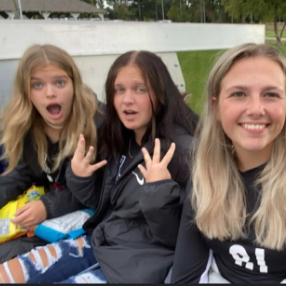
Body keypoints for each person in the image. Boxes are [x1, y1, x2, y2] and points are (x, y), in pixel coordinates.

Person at [0, 50, 198, 283]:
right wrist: (79, 176)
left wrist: (159, 192)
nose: (127, 99)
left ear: (161, 93)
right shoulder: (120, 137)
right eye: (119, 90)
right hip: (101, 239)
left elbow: (181, 239)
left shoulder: (183, 152)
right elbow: (101, 202)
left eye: (140, 89)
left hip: (139, 262)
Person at [171, 43, 286, 284]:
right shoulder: (206, 172)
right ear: (216, 108)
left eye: (271, 94)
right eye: (238, 94)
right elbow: (185, 274)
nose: (256, 109)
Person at [0, 44, 101, 263]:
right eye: (37, 85)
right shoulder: (28, 125)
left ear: (74, 84)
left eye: (60, 82)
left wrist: (47, 206)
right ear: (26, 92)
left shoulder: (96, 124)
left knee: (8, 257)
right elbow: (18, 173)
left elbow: (99, 191)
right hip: (46, 214)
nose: (50, 93)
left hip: (88, 219)